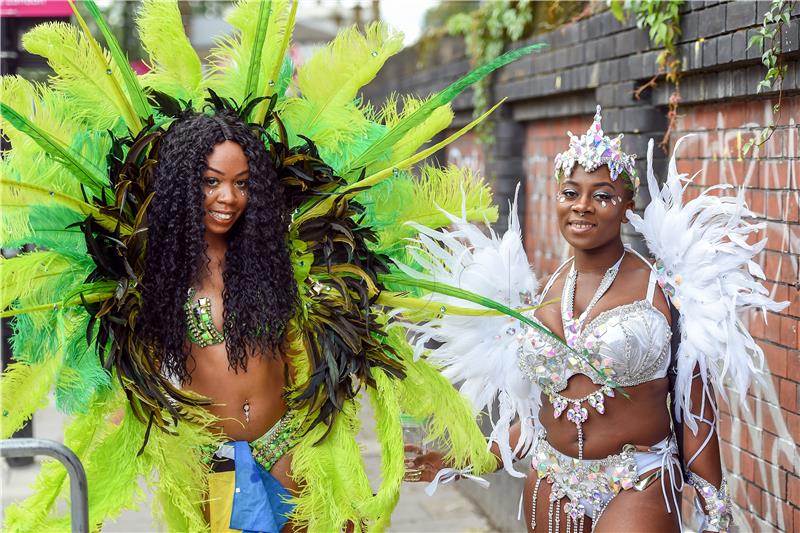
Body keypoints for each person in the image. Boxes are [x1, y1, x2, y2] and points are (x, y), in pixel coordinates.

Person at [0, 1, 543, 531]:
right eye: (211, 181)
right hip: (207, 466)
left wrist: (331, 461)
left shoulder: (280, 264)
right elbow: (126, 373)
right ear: (183, 187)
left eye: (241, 183)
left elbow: (316, 357)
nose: (226, 197)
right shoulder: (150, 277)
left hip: (291, 457)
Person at [401, 106, 786, 532]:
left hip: (638, 483)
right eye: (571, 193)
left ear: (626, 207)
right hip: (551, 482)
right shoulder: (540, 295)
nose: (582, 206)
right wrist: (457, 461)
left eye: (601, 195)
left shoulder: (666, 292)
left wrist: (715, 512)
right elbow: (533, 419)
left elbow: (696, 408)